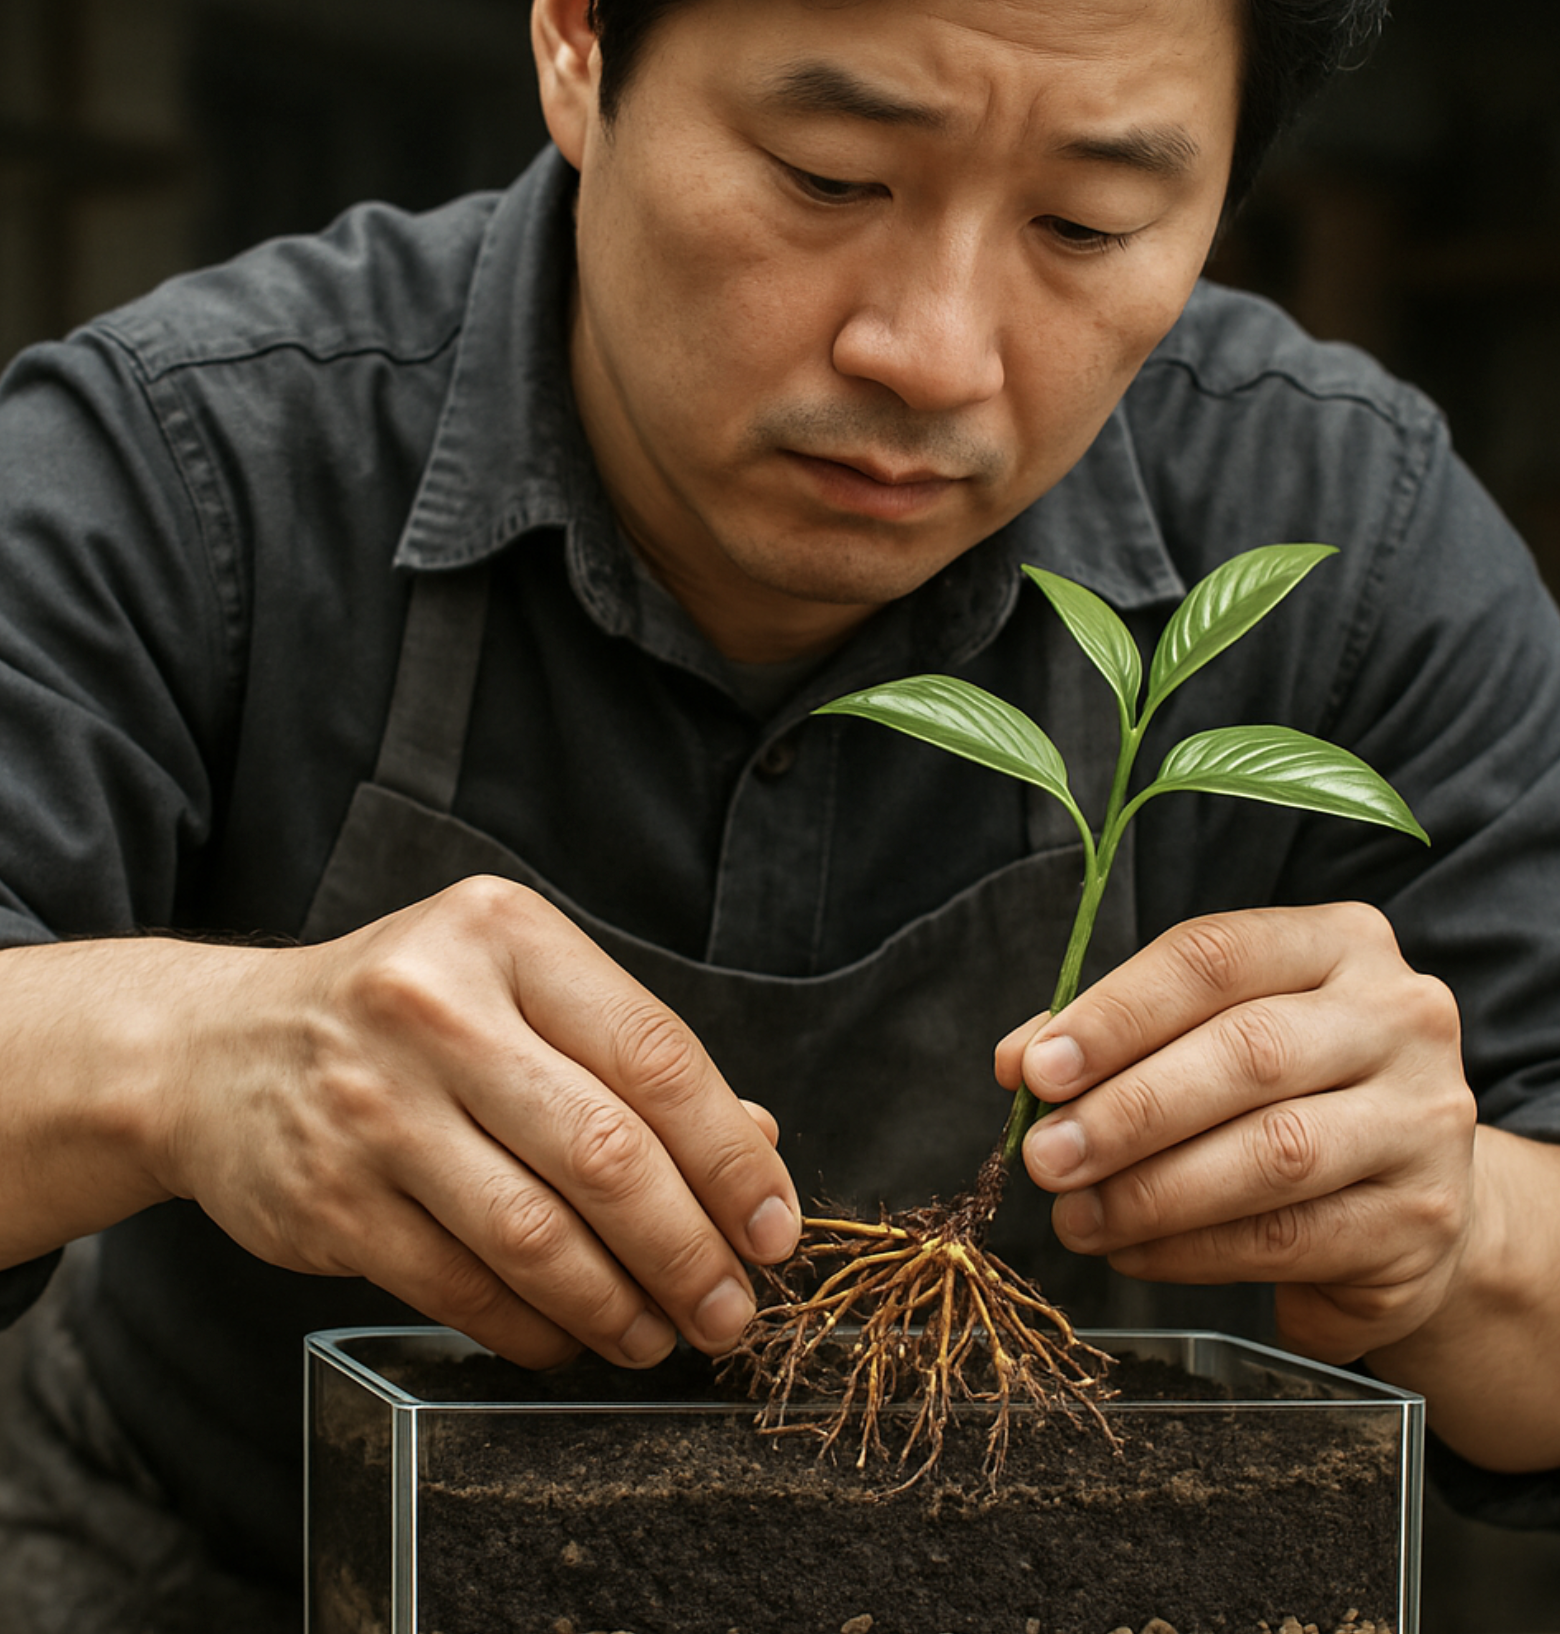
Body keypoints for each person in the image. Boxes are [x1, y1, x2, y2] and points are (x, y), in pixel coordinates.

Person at [2, 0, 1558, 1625]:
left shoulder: (1344, 548)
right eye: (829, 177)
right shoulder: (202, 458)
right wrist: (179, 1053)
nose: (933, 352)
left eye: (1085, 225)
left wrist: (1457, 1231)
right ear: (577, 45)